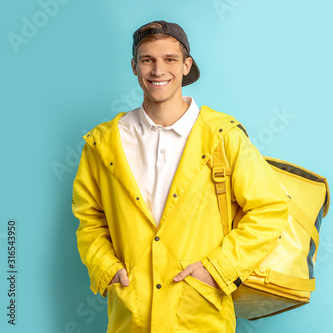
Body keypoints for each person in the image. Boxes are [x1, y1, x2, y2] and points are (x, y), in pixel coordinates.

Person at [72, 20, 288, 332]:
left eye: (170, 59)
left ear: (186, 66)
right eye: (148, 60)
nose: (158, 70)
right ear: (134, 66)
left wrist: (219, 268)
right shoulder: (103, 143)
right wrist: (106, 267)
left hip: (200, 315)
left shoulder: (222, 136)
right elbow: (89, 217)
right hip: (131, 316)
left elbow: (270, 209)